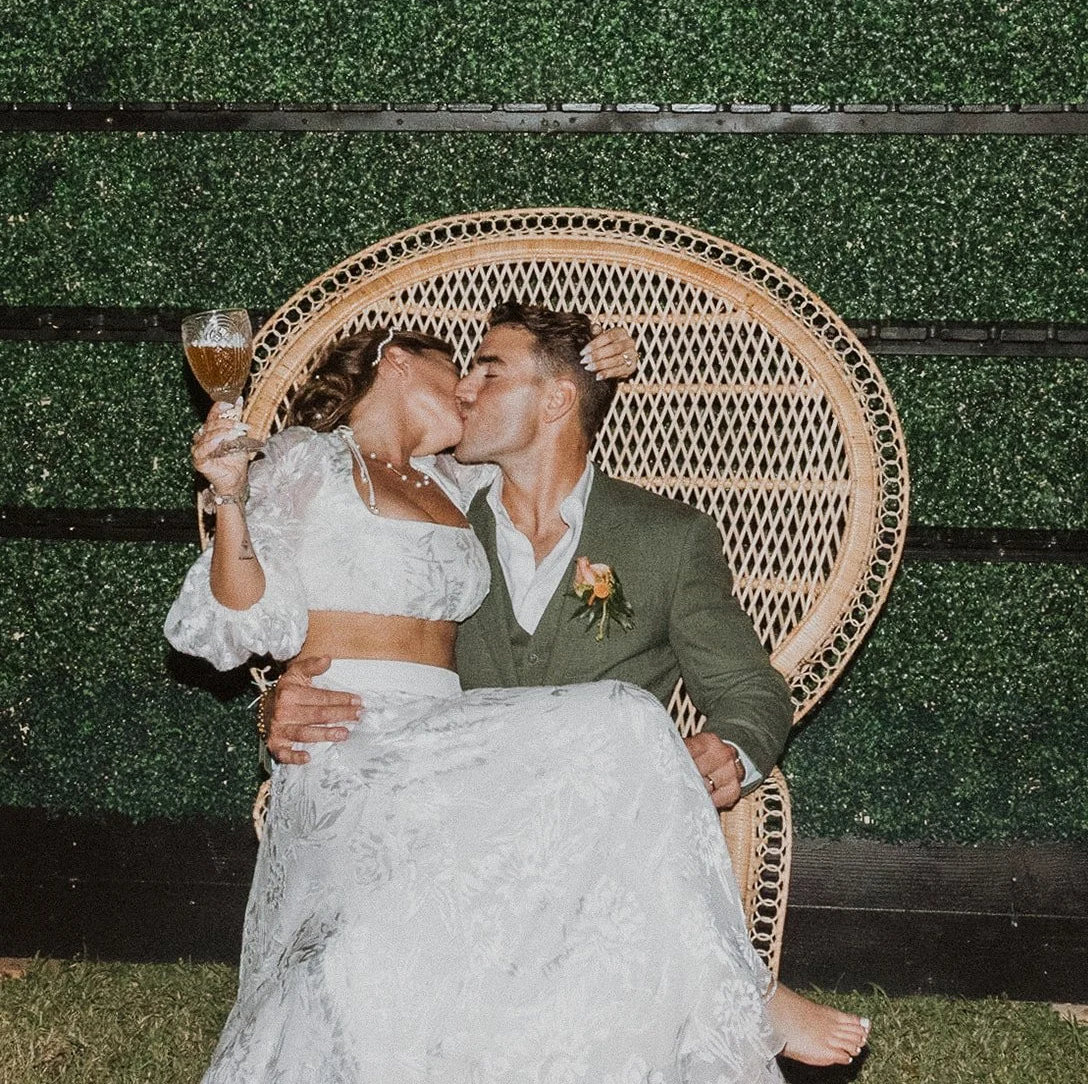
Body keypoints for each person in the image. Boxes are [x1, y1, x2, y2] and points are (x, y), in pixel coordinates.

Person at [167, 317, 789, 1082]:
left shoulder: (600, 521)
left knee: (623, 720)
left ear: (555, 399)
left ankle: (721, 998)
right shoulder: (383, 480)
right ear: (397, 363)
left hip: (533, 793)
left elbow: (749, 688)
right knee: (623, 715)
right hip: (393, 766)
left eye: (484, 372)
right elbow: (272, 612)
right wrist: (273, 689)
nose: (466, 387)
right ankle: (741, 995)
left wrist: (606, 355)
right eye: (460, 368)